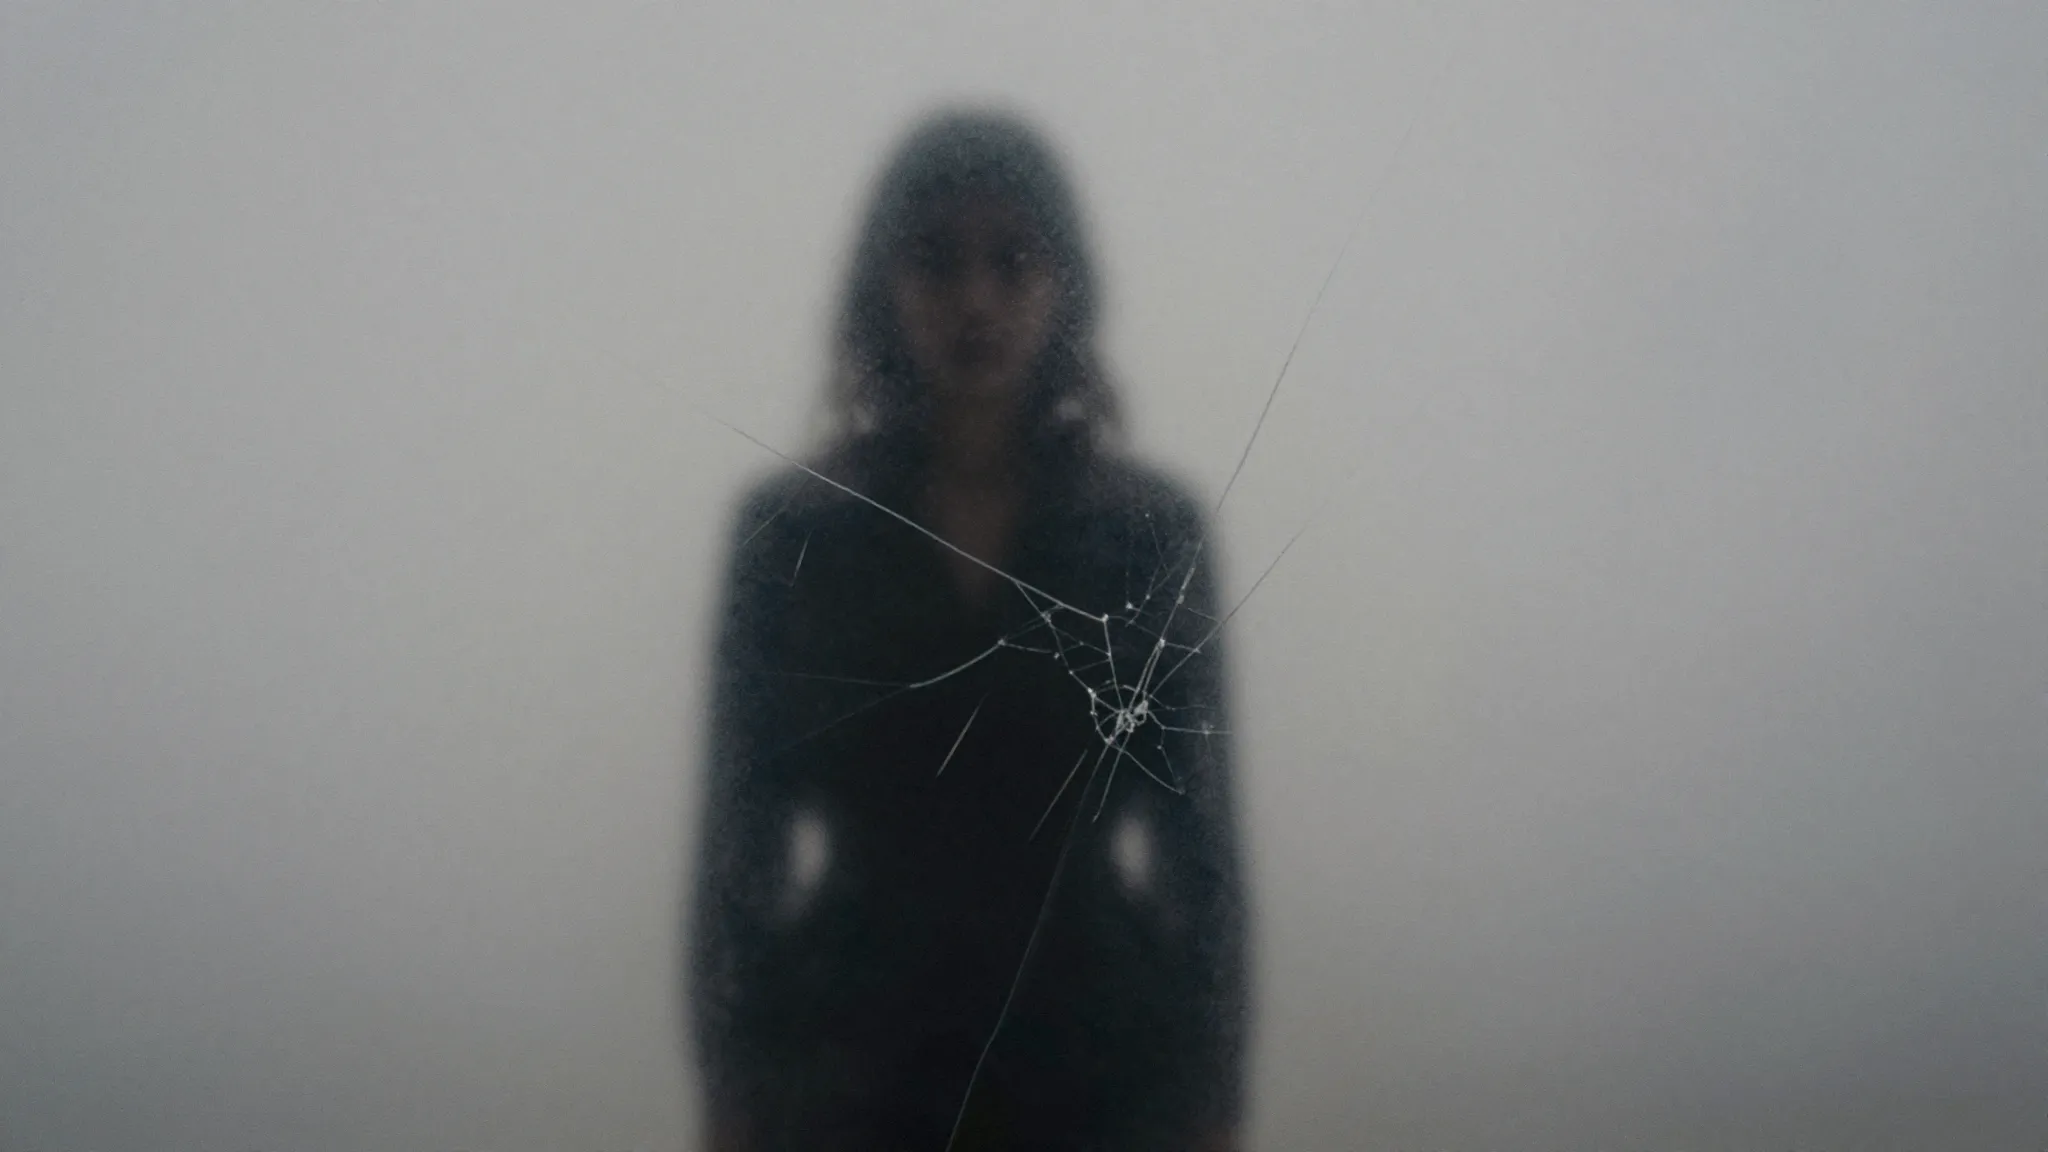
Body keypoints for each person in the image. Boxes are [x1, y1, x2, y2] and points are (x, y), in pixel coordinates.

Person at [685, 107, 1248, 1152]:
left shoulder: (1149, 534)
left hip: (1101, 1081)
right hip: (846, 1079)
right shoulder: (789, 536)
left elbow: (1200, 857)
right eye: (936, 260)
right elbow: (737, 853)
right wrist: (730, 1099)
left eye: (1013, 258)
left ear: (1065, 282)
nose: (976, 298)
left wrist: (1215, 1106)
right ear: (882, 286)